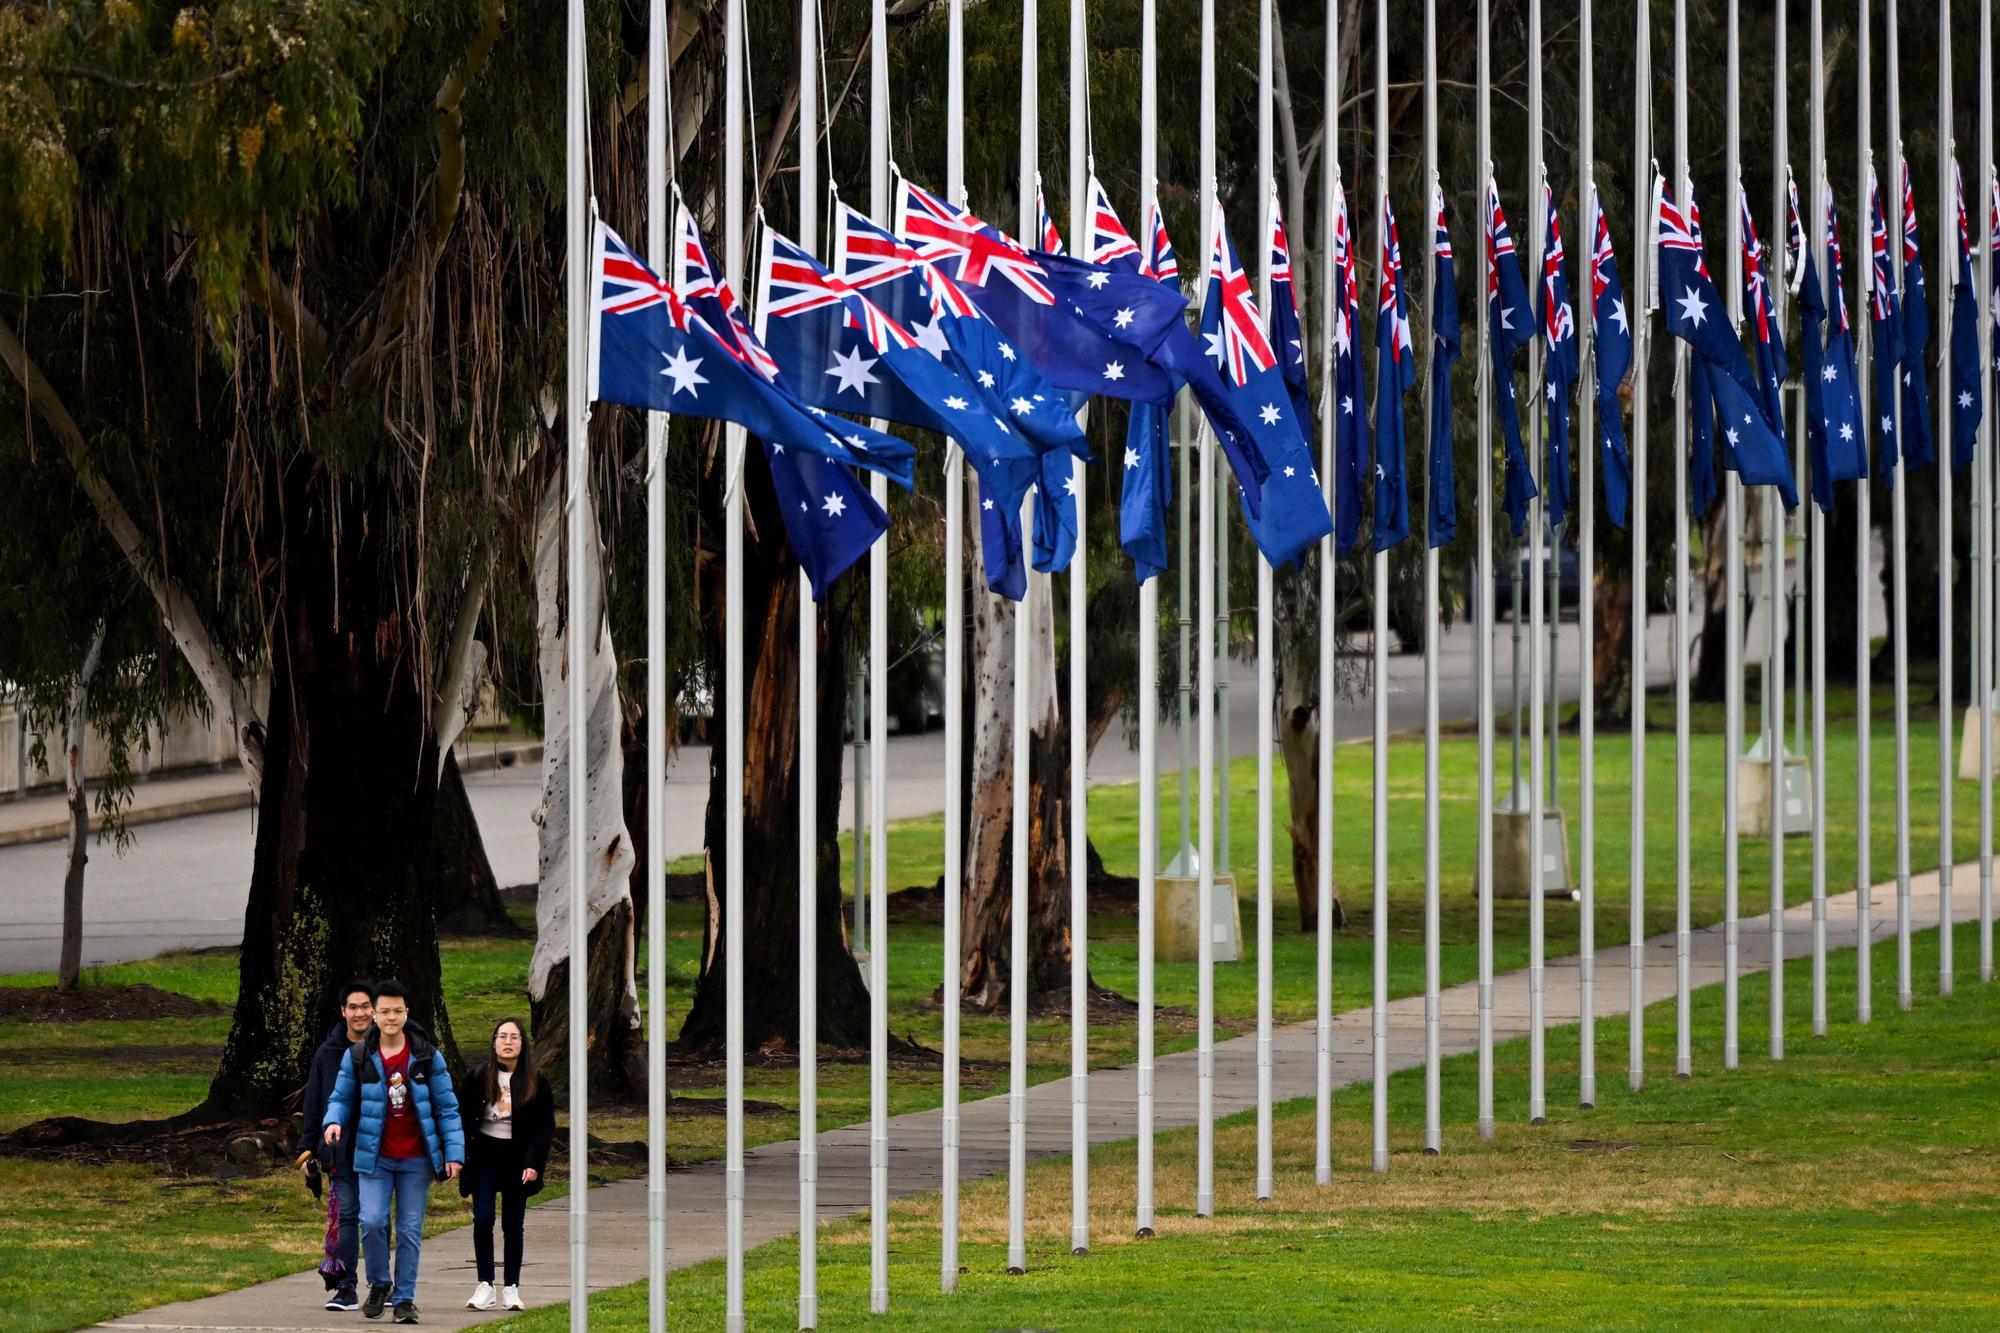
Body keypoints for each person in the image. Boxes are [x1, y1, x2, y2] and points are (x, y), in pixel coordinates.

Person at [324, 980, 465, 1324]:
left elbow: (447, 1108)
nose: (390, 1017)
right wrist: (333, 1122)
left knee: (409, 1228)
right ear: (374, 1014)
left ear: (406, 1013)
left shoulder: (427, 1056)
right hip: (374, 1156)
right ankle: (379, 1283)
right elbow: (340, 1098)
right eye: (383, 1011)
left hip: (416, 1159)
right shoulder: (358, 1056)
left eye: (396, 1011)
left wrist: (454, 1153)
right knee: (371, 1221)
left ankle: (404, 1299)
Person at [458, 1018, 554, 1311]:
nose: (508, 1042)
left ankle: (511, 1287)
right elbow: (461, 1119)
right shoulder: (476, 1078)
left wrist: (533, 1163)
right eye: (502, 1036)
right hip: (484, 1159)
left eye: (514, 1037)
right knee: (483, 1218)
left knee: (513, 1224)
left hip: (517, 1161)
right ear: (494, 1042)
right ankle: (485, 1284)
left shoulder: (537, 1081)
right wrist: (459, 1157)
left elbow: (543, 1127)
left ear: (523, 1044)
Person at [296, 979, 376, 1312]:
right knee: (347, 1217)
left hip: (377, 1147)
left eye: (365, 1006)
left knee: (375, 1220)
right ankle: (346, 1287)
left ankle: (380, 1284)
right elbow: (314, 1101)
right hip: (339, 1150)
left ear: (374, 1010)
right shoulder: (328, 1053)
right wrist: (307, 1150)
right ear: (343, 1012)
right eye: (353, 1007)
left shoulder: (386, 1049)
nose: (359, 1013)